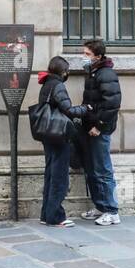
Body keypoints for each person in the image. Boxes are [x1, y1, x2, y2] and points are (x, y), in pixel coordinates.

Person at [34, 56, 91, 228]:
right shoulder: (58, 85)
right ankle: (56, 216)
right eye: (66, 71)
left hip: (48, 135)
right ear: (62, 72)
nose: (67, 74)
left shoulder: (46, 84)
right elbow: (68, 109)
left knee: (51, 174)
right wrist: (85, 109)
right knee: (59, 177)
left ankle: (46, 214)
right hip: (59, 136)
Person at [78, 39, 122, 225]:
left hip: (99, 130)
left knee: (103, 170)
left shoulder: (106, 74)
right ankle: (101, 206)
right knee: (92, 170)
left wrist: (99, 126)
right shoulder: (93, 73)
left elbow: (112, 104)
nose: (83, 57)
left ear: (98, 56)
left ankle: (112, 211)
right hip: (90, 128)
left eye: (87, 54)